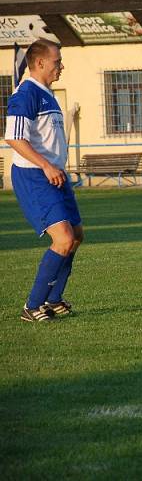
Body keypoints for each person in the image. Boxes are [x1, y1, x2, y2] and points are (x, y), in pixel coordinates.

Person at [4, 39, 82, 322]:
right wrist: (47, 165)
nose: (61, 66)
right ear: (39, 63)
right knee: (62, 239)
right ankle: (32, 306)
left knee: (76, 236)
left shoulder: (48, 93)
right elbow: (14, 137)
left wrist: (56, 165)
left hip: (54, 173)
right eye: (57, 61)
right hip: (34, 175)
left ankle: (53, 298)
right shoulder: (26, 94)